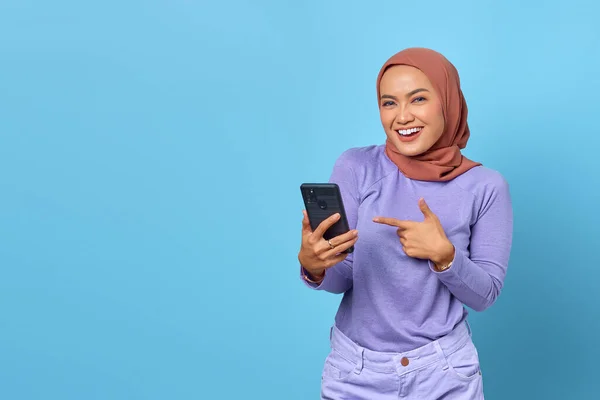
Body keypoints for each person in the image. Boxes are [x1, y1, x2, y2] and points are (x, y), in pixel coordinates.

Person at [297, 47, 513, 399]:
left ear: (447, 101)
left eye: (418, 99)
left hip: (445, 374)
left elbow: (484, 295)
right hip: (356, 371)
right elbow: (343, 276)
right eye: (389, 103)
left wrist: (445, 257)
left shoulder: (486, 186)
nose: (402, 116)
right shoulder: (356, 167)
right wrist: (314, 266)